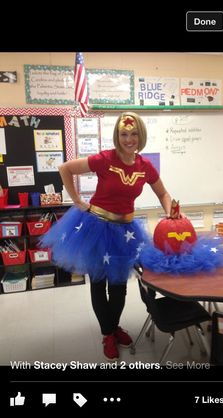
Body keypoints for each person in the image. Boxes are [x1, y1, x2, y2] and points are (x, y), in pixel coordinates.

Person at [40, 112, 174, 361]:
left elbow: (164, 194)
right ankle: (108, 333)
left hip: (125, 231)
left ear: (140, 136)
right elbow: (65, 168)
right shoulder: (105, 159)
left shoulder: (145, 167)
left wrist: (170, 214)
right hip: (96, 227)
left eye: (134, 134)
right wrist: (78, 201)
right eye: (124, 134)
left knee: (120, 287)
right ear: (117, 135)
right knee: (99, 284)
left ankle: (112, 326)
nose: (129, 139)